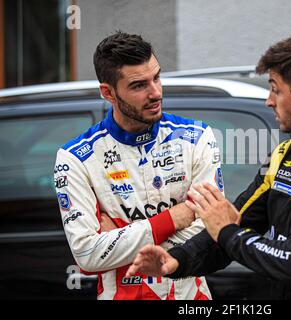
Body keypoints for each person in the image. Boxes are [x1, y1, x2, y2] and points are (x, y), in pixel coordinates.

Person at [125, 29, 291, 300]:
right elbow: (239, 220)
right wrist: (177, 260)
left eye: (275, 90)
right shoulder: (285, 153)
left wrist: (228, 232)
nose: (269, 101)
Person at [53, 31, 223, 300]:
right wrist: (173, 218)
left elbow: (212, 231)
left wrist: (120, 234)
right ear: (108, 92)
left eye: (156, 77)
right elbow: (87, 254)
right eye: (138, 85)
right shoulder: (75, 158)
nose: (155, 92)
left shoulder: (197, 137)